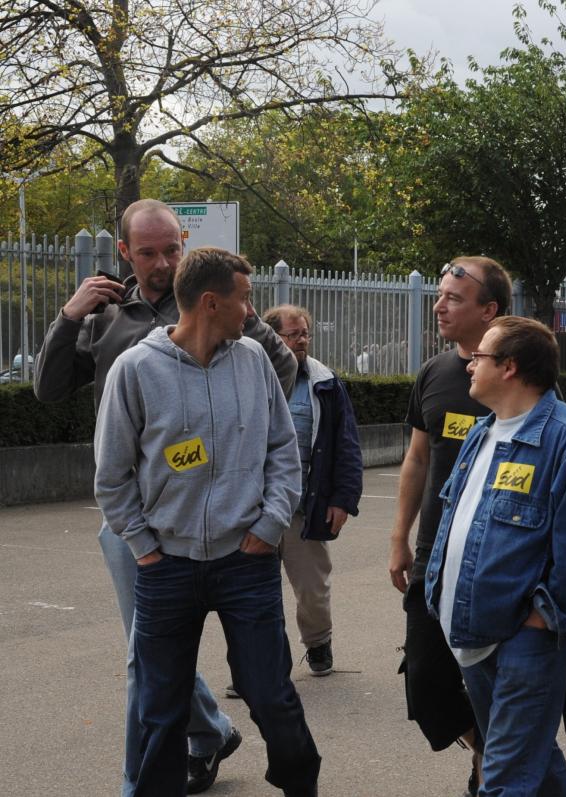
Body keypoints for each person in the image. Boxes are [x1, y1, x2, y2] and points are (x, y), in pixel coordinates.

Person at [33, 198, 296, 795]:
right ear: (124, 253)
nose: (162, 262)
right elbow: (48, 390)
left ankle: (188, 748)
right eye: (147, 253)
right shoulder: (106, 318)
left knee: (151, 661)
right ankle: (183, 750)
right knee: (144, 659)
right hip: (138, 519)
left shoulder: (217, 303)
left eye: (171, 248)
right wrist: (70, 315)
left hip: (222, 518)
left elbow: (276, 379)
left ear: (183, 241)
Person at [93, 247, 319, 796]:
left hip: (246, 564)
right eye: (245, 299)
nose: (251, 312)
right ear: (211, 302)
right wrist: (145, 546)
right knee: (160, 707)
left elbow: (283, 453)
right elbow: (111, 474)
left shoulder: (253, 362)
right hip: (166, 567)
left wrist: (268, 528)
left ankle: (301, 786)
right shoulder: (137, 369)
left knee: (271, 696)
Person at [425, 316, 566, 796]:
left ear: (509, 367)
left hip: (530, 641)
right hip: (475, 634)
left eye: (481, 357)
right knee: (529, 758)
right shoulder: (484, 431)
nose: (470, 364)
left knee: (507, 777)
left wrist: (541, 622)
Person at [388, 257, 513, 794]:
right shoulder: (435, 373)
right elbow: (418, 458)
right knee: (425, 682)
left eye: (453, 298)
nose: (439, 305)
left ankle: (499, 772)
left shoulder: (518, 374)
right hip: (436, 555)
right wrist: (399, 537)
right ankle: (487, 750)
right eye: (439, 296)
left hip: (498, 559)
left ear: (490, 310)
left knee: (501, 684)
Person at [263, 304, 363, 676]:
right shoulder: (247, 374)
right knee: (253, 594)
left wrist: (342, 500)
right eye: (294, 334)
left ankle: (318, 643)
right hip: (253, 510)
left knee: (312, 591)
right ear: (273, 337)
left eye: (305, 333)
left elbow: (347, 444)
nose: (302, 340)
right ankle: (256, 666)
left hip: (304, 509)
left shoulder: (325, 382)